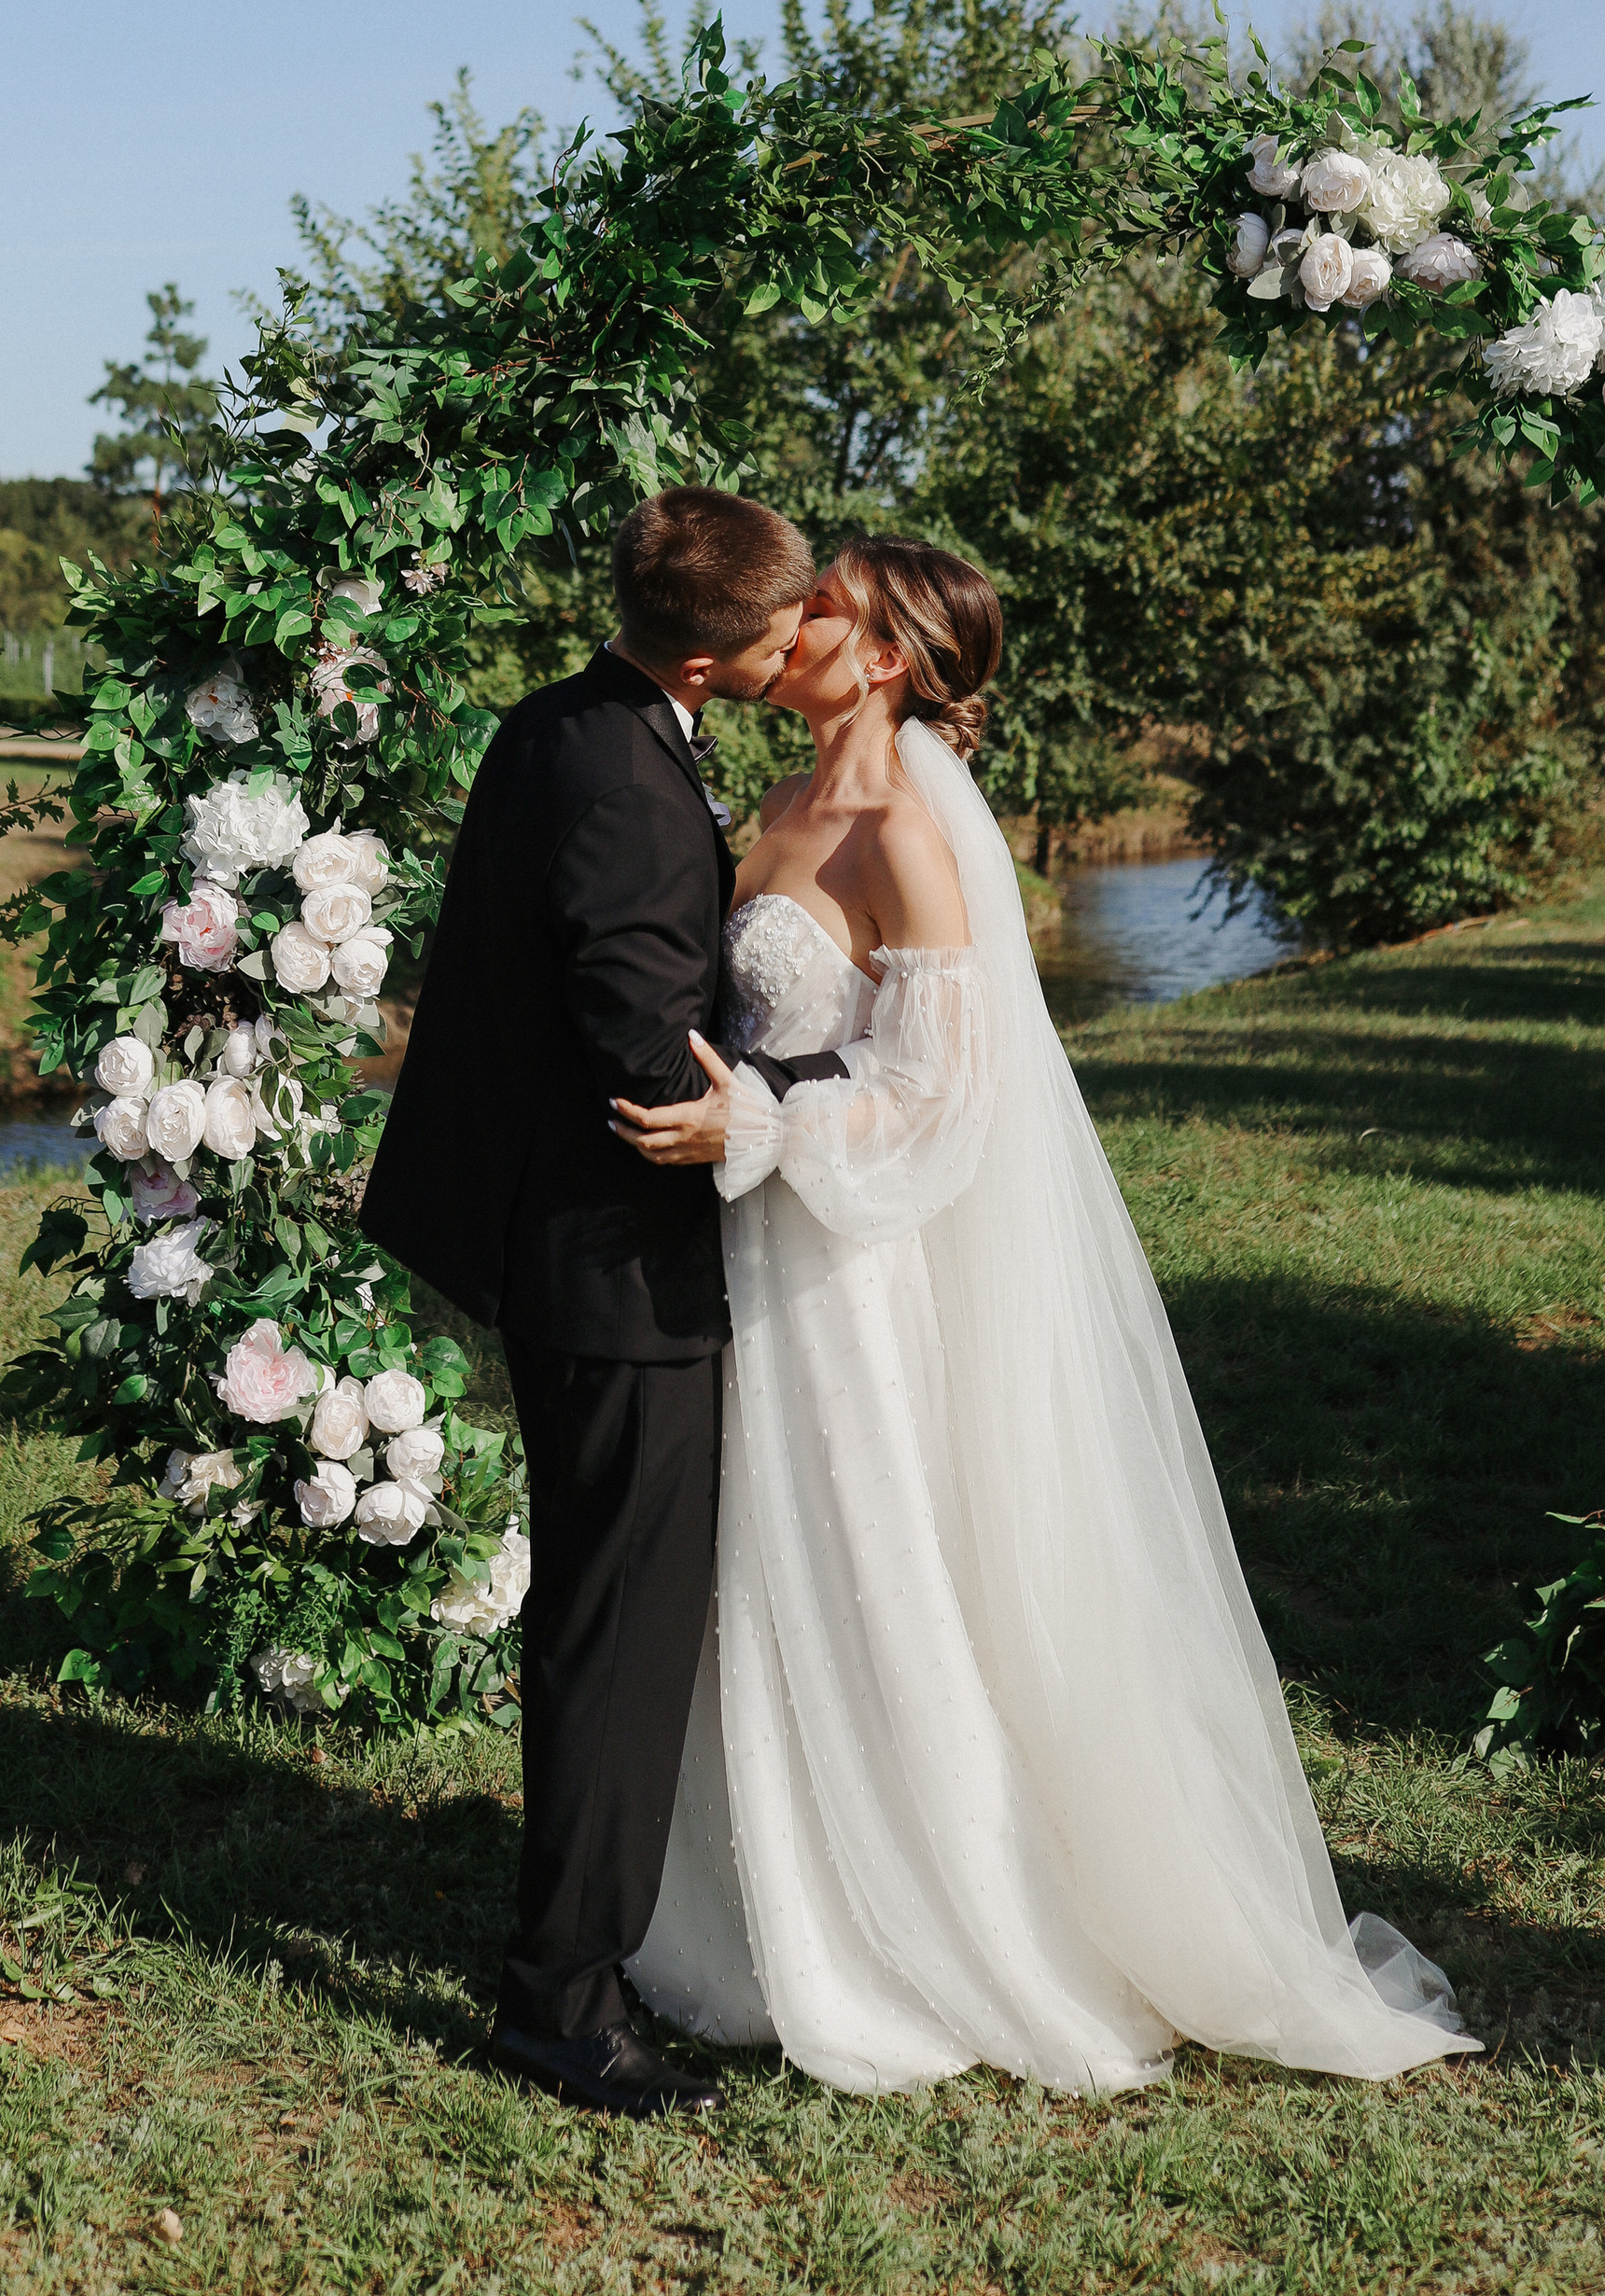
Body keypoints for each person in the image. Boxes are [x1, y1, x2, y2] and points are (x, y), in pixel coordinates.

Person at [611, 536, 1480, 2093]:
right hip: (751, 1256)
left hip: (846, 1270)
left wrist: (757, 1132)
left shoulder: (903, 829)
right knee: (765, 1565)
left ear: (883, 658)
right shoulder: (781, 798)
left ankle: (946, 1925)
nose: (792, 619)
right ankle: (777, 1901)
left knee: (878, 1570)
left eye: (826, 608)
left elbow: (947, 1097)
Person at [361, 485, 860, 2119]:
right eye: (787, 621)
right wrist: (851, 1073)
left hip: (546, 1246)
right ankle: (563, 2007)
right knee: (618, 1646)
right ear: (725, 655)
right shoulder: (639, 798)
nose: (804, 639)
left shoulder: (555, 723)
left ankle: (580, 1959)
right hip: (617, 1278)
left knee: (601, 1627)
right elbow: (657, 1070)